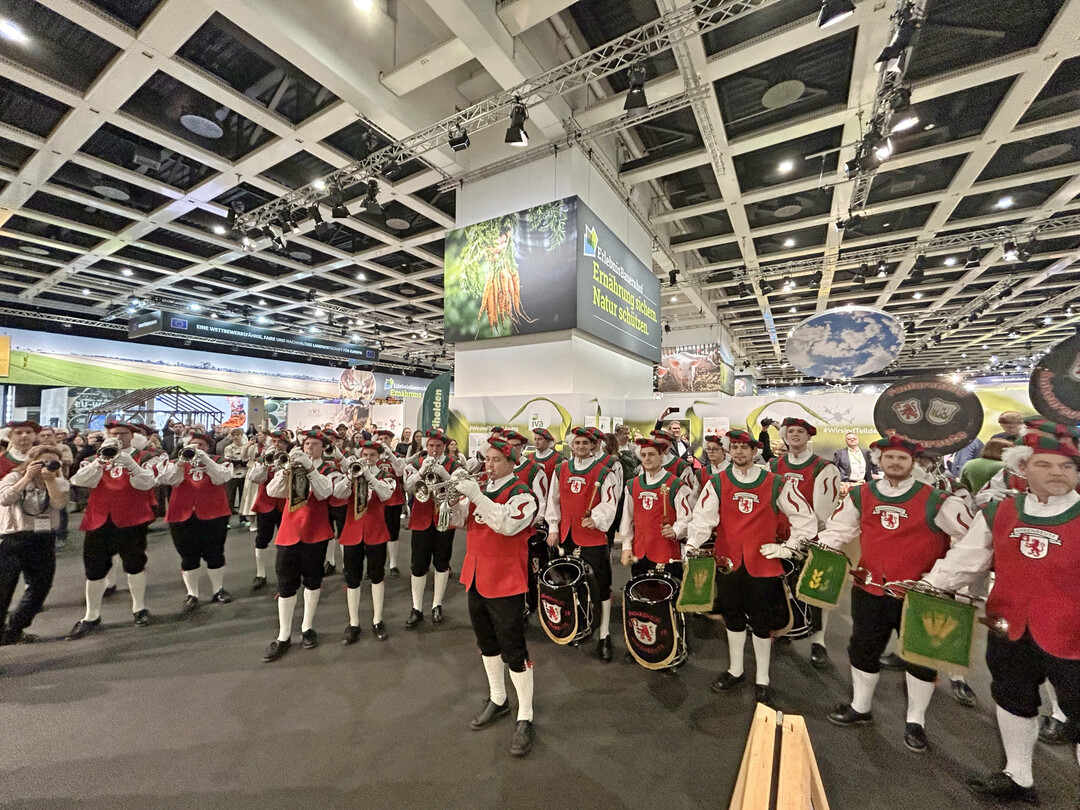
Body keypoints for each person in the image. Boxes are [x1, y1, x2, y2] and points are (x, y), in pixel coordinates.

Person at [922, 424, 1080, 803]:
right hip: (1008, 627)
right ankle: (1018, 776)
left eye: (1067, 465)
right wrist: (931, 584)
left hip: (1073, 635)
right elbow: (967, 557)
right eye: (1045, 464)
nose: (1058, 473)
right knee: (1012, 698)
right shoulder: (999, 511)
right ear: (1022, 468)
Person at [818, 436, 974, 753]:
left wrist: (942, 578)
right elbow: (839, 530)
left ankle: (916, 721)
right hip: (870, 588)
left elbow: (971, 542)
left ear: (913, 462)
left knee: (921, 658)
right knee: (863, 648)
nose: (895, 463)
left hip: (920, 596)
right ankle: (860, 706)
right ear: (879, 460)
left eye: (902, 458)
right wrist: (818, 546)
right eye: (889, 457)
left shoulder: (938, 500)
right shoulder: (862, 494)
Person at [683, 429, 816, 705]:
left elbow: (804, 517)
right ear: (729, 451)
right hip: (728, 563)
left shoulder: (776, 483)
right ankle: (735, 670)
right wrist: (692, 545)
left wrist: (788, 548)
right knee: (732, 618)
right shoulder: (717, 482)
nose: (739, 452)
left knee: (761, 622)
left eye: (745, 447)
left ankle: (762, 678)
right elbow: (703, 518)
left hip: (763, 564)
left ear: (755, 451)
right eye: (734, 447)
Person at [453, 438, 539, 757]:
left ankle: (525, 715)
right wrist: (450, 502)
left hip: (505, 581)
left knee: (514, 650)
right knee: (487, 644)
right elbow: (458, 522)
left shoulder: (523, 494)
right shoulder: (481, 489)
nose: (488, 465)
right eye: (487, 459)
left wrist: (475, 496)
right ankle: (498, 698)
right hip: (475, 575)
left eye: (496, 460)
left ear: (512, 462)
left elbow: (506, 525)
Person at [67, 421, 157, 638]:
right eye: (114, 434)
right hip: (99, 518)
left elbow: (147, 483)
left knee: (135, 564)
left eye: (123, 434)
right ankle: (91, 615)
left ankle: (139, 608)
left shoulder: (145, 457)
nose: (118, 438)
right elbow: (79, 481)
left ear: (132, 436)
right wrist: (99, 462)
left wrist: (131, 464)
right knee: (94, 568)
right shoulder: (93, 458)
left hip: (132, 518)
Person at [262, 430, 343, 662]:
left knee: (312, 580)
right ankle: (283, 635)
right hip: (289, 531)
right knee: (286, 583)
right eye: (307, 444)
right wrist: (285, 472)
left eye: (315, 444)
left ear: (323, 448)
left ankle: (307, 627)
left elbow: (325, 492)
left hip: (315, 532)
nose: (309, 448)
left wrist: (310, 469)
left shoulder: (328, 469)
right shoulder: (291, 464)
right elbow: (272, 491)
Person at [768, 417, 842, 668]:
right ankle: (785, 627)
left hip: (811, 539)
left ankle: (818, 640)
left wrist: (806, 538)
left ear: (809, 436)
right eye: (791, 431)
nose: (795, 435)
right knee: (781, 587)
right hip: (779, 537)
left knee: (815, 588)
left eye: (800, 431)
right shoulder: (773, 465)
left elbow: (824, 511)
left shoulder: (823, 467)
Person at [545, 427, 620, 661]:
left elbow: (610, 502)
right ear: (571, 445)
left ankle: (604, 634)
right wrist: (553, 527)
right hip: (567, 535)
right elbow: (553, 500)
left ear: (593, 446)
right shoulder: (561, 469)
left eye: (585, 443)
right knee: (570, 583)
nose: (580, 447)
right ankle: (579, 625)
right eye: (577, 443)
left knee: (602, 584)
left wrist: (596, 518)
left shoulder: (604, 472)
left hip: (592, 536)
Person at [156, 432, 234, 612]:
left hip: (214, 514)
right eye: (193, 445)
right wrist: (181, 463)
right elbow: (166, 480)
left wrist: (205, 460)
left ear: (208, 448)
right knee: (188, 556)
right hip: (182, 515)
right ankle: (192, 593)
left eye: (201, 445)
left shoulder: (220, 461)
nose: (197, 448)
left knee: (215, 553)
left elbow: (221, 478)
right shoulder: (175, 462)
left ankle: (218, 589)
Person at [0, 445, 69, 644]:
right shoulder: (13, 477)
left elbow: (58, 504)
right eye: (43, 461)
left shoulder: (59, 481)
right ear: (31, 461)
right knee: (3, 588)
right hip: (12, 537)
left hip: (43, 539)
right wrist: (27, 477)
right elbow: (5, 499)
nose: (47, 465)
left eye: (53, 461)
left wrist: (49, 481)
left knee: (40, 586)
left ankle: (15, 628)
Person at [335, 441, 396, 644]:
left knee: (377, 575)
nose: (367, 459)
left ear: (378, 457)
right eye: (365, 455)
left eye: (372, 455)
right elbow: (338, 494)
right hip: (353, 531)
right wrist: (349, 478)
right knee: (352, 577)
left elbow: (386, 495)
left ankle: (377, 619)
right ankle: (353, 623)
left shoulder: (384, 475)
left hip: (376, 531)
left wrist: (370, 477)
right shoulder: (352, 473)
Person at [403, 429, 463, 629]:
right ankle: (417, 607)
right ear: (425, 446)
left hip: (444, 515)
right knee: (418, 564)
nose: (434, 450)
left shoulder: (454, 464)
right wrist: (422, 471)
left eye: (438, 446)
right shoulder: (416, 463)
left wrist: (444, 474)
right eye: (430, 446)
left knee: (442, 562)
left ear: (444, 446)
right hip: (421, 517)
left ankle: (437, 604)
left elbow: (460, 490)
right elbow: (407, 487)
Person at [617, 436, 693, 582]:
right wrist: (626, 546)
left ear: (661, 456)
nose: (647, 458)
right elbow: (628, 518)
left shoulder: (676, 485)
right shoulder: (632, 485)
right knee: (640, 592)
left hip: (667, 552)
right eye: (643, 455)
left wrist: (675, 531)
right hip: (640, 552)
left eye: (651, 454)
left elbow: (687, 518)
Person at [502, 430, 549, 617]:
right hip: (503, 530)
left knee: (525, 570)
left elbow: (541, 503)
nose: (512, 449)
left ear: (521, 447)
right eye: (509, 446)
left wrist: (527, 523)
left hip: (526, 530)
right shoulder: (500, 468)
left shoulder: (534, 470)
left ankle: (528, 604)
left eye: (516, 446)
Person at [245, 431, 290, 590]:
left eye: (280, 442)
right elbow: (254, 478)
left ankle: (286, 574)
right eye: (274, 441)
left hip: (285, 505)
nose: (276, 445)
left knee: (286, 541)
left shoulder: (292, 458)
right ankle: (260, 574)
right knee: (262, 539)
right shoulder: (262, 459)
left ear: (286, 444)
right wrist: (265, 462)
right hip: (266, 504)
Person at [374, 429, 406, 579]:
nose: (383, 441)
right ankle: (375, 564)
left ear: (391, 440)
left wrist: (391, 455)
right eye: (380, 438)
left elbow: (400, 472)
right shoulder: (373, 456)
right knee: (376, 532)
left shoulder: (397, 457)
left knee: (393, 532)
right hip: (376, 501)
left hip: (394, 500)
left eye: (386, 438)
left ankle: (393, 564)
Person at [222, 429, 250, 528]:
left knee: (243, 498)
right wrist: (241, 462)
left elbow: (249, 461)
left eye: (238, 435)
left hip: (244, 476)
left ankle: (243, 519)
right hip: (232, 476)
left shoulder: (246, 447)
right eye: (233, 435)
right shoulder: (229, 448)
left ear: (242, 435)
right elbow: (228, 461)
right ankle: (226, 521)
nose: (236, 437)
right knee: (230, 498)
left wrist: (240, 462)